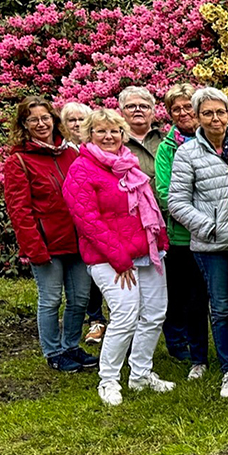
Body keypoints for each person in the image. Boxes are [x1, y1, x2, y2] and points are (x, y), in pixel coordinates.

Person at [62, 109, 172, 406]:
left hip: (146, 252)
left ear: (123, 134)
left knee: (154, 313)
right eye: (101, 131)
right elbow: (88, 221)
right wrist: (120, 258)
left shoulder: (130, 166)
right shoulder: (81, 169)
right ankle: (108, 379)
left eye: (114, 131)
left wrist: (159, 239)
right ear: (89, 135)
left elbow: (148, 208)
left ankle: (140, 373)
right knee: (124, 315)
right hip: (109, 258)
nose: (109, 136)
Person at [168, 87, 228, 399]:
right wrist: (210, 227)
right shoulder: (188, 152)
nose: (215, 118)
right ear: (198, 117)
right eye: (207, 113)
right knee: (222, 307)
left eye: (220, 112)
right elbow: (177, 201)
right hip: (213, 245)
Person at [2, 96, 95, 373]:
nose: (41, 124)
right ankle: (53, 351)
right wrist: (34, 247)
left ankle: (71, 345)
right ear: (24, 125)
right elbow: (19, 210)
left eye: (45, 118)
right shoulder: (18, 160)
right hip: (46, 243)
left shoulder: (71, 153)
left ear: (54, 121)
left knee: (80, 298)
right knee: (51, 299)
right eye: (34, 119)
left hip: (77, 240)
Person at [153, 82, 210, 379]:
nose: (184, 112)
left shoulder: (216, 140)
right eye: (176, 109)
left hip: (212, 234)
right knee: (180, 294)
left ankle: (201, 344)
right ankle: (177, 343)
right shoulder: (167, 148)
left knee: (203, 294)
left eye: (188, 106)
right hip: (181, 234)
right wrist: (197, 213)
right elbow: (164, 192)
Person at [59, 100, 108, 344]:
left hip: (103, 219)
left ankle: (99, 320)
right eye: (71, 120)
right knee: (82, 277)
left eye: (81, 119)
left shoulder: (101, 147)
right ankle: (93, 319)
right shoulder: (62, 152)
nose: (77, 124)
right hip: (73, 222)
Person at [117, 85, 163, 179]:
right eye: (131, 106)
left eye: (144, 106)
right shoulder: (116, 143)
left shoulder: (166, 140)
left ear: (153, 113)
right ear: (122, 113)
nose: (138, 109)